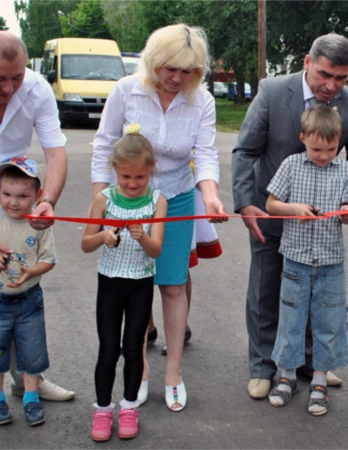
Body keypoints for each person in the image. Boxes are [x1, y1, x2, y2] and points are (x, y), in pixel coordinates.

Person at [91, 24, 227, 412]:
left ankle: (174, 371)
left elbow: (206, 152)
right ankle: (142, 367)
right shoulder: (125, 91)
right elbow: (103, 145)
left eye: (187, 71)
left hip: (178, 197)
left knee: (171, 283)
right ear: (153, 62)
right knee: (133, 282)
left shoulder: (201, 100)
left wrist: (212, 196)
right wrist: (99, 202)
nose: (176, 78)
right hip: (128, 198)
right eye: (170, 68)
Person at [232, 33, 348, 400]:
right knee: (267, 290)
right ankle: (264, 366)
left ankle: (311, 365)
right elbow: (245, 151)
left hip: (322, 229)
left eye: (341, 78)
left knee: (315, 295)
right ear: (308, 62)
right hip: (271, 211)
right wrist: (246, 202)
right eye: (325, 74)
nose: (332, 86)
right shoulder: (273, 90)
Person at [0, 31, 74, 402]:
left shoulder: (36, 89)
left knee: (16, 287)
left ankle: (26, 379)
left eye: (16, 77)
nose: (8, 88)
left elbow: (56, 153)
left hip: (14, 197)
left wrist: (45, 200)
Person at [265, 105, 348, 416]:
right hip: (295, 262)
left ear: (339, 141)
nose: (323, 154)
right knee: (291, 320)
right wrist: (294, 210)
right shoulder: (291, 165)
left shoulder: (345, 171)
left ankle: (319, 381)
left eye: (330, 149)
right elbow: (271, 204)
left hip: (331, 263)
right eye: (316, 148)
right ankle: (287, 376)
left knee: (329, 323)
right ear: (303, 138)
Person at [83, 126, 167, 441]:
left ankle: (129, 407)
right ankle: (103, 410)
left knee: (134, 348)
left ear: (150, 171)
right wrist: (102, 236)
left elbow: (156, 250)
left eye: (140, 178)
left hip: (141, 283)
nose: (132, 184)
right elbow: (85, 244)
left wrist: (143, 235)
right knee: (108, 350)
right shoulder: (103, 199)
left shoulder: (158, 201)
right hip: (110, 282)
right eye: (126, 177)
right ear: (115, 170)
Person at [0, 157, 56, 426]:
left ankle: (31, 397)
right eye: (6, 194)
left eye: (22, 196)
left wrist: (31, 272)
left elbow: (49, 259)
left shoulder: (39, 223)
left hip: (30, 301)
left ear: (37, 195)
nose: (13, 202)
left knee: (32, 354)